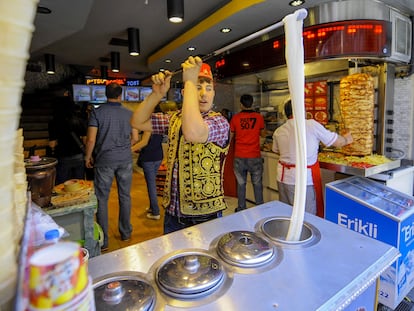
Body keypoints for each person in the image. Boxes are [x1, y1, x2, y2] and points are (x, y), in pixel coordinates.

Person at [131, 56, 230, 234]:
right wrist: (157, 94)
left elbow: (194, 132)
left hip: (205, 216)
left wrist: (190, 82)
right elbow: (137, 121)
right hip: (172, 213)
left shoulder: (220, 122)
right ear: (185, 93)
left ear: (214, 94)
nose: (203, 94)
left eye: (209, 89)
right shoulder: (174, 119)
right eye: (197, 87)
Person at [272, 100, 353, 217]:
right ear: (302, 110)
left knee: (287, 213)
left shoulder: (279, 131)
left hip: (282, 178)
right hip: (302, 179)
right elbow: (336, 142)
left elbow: (276, 150)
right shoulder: (311, 124)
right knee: (307, 216)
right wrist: (346, 139)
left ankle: (288, 234)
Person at [84, 82, 138, 251]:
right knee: (125, 196)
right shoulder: (130, 113)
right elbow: (135, 137)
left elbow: (91, 139)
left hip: (104, 160)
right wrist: (123, 147)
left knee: (102, 199)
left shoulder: (97, 112)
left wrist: (88, 156)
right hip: (125, 160)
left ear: (105, 94)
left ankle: (104, 240)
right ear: (120, 95)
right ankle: (126, 232)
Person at [230, 94, 265, 212]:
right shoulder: (259, 117)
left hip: (239, 155)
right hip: (254, 155)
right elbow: (262, 134)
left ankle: (241, 207)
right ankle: (260, 207)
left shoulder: (235, 118)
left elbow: (230, 136)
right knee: (257, 183)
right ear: (252, 103)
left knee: (241, 183)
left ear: (241, 104)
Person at [48, 96, 87, 185]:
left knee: (63, 185)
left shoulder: (54, 122)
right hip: (78, 156)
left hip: (63, 156)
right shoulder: (79, 121)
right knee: (79, 184)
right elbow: (85, 141)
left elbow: (52, 144)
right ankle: (78, 198)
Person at [131, 131, 164, 220]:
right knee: (152, 182)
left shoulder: (149, 125)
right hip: (158, 155)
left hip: (149, 157)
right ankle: (152, 207)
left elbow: (144, 142)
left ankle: (155, 212)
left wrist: (130, 149)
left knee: (151, 185)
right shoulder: (159, 122)